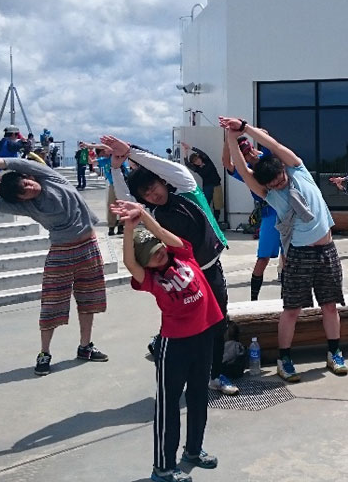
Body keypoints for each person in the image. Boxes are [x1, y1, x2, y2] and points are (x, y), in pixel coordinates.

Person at [104, 134, 238, 396]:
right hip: (183, 277)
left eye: (154, 187)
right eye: (145, 193)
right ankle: (185, 370)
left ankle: (216, 374)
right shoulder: (151, 213)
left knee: (218, 323)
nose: (152, 195)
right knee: (186, 328)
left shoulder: (187, 188)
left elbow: (171, 168)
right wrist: (116, 169)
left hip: (210, 268)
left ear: (162, 182)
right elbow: (126, 201)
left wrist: (131, 151)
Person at [0, 154, 109, 375]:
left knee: (89, 298)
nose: (30, 189)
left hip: (88, 246)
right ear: (21, 200)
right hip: (61, 252)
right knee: (52, 303)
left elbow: (11, 163)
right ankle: (44, 352)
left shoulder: (49, 177)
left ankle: (85, 346)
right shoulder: (28, 207)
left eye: (26, 183)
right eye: (24, 192)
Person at [219, 116, 348, 381]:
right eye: (274, 185)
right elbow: (242, 170)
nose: (279, 185)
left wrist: (244, 127)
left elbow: (273, 144)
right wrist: (230, 137)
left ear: (282, 169)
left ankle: (334, 352)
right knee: (291, 309)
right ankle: (284, 358)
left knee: (330, 306)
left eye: (279, 179)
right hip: (299, 254)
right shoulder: (270, 194)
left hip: (327, 250)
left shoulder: (297, 170)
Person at [113, 199, 221, 482]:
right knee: (168, 405)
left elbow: (163, 235)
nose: (158, 254)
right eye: (150, 254)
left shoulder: (184, 255)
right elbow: (128, 261)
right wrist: (128, 229)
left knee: (199, 396)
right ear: (143, 262)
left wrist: (144, 217)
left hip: (204, 334)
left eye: (158, 248)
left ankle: (194, 451)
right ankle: (163, 467)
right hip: (175, 345)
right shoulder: (148, 279)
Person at [222, 135, 283, 301]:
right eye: (246, 154)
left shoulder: (266, 156)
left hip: (286, 211)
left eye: (250, 151)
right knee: (263, 257)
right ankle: (253, 299)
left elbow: (267, 136)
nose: (250, 156)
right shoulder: (246, 171)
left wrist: (246, 129)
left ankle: (287, 298)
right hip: (269, 213)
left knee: (289, 256)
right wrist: (229, 140)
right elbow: (227, 164)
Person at [182, 142, 222, 213]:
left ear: (200, 158)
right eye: (195, 161)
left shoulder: (207, 161)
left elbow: (201, 152)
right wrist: (185, 152)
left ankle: (216, 222)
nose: (197, 161)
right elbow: (187, 164)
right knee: (205, 206)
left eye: (197, 159)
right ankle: (209, 222)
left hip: (216, 185)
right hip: (207, 187)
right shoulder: (197, 169)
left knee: (217, 206)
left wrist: (190, 147)